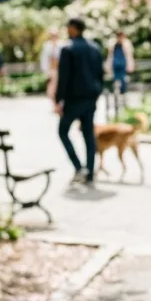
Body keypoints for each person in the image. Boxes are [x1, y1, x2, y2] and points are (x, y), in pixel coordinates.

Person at [55, 17, 104, 186]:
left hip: (74, 99)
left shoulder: (68, 49)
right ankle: (89, 171)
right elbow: (101, 74)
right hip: (91, 97)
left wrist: (58, 99)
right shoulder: (95, 48)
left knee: (63, 131)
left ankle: (78, 167)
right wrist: (97, 92)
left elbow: (64, 77)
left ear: (74, 28)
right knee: (88, 134)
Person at [39, 28, 63, 101]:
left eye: (55, 35)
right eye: (52, 35)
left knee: (59, 88)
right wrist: (46, 71)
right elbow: (44, 59)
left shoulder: (62, 45)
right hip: (51, 70)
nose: (54, 37)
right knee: (51, 90)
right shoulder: (47, 45)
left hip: (59, 70)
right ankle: (54, 103)